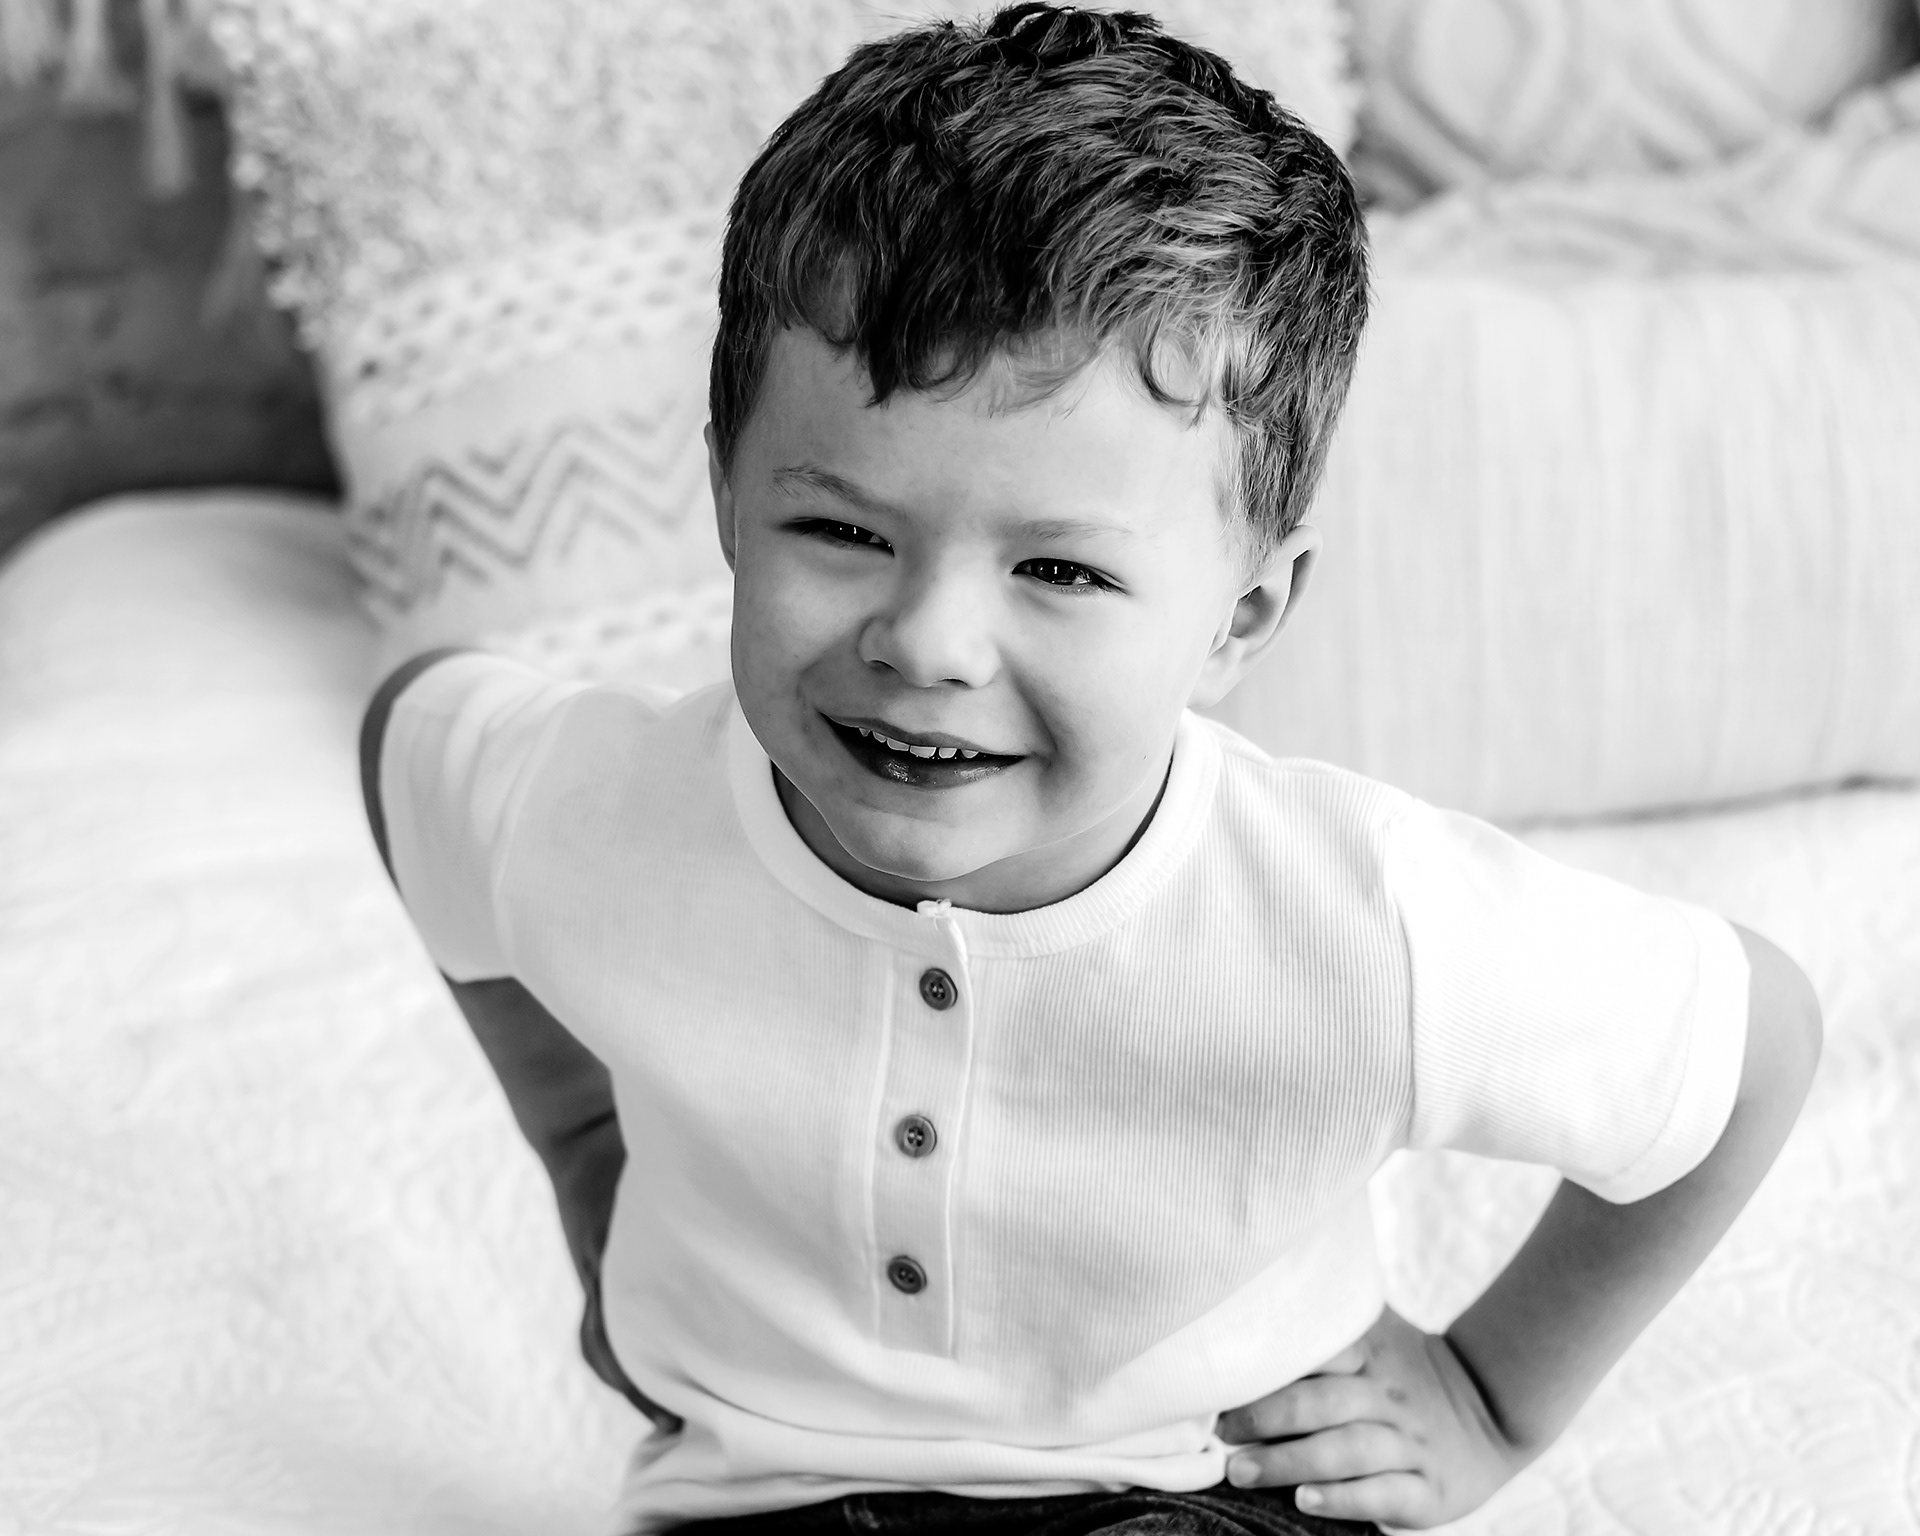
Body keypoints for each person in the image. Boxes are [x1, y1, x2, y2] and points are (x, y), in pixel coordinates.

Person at [359, 6, 1822, 1533]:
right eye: (842, 532)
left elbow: (1750, 1049)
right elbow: (414, 745)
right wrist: (582, 1145)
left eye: (1058, 570)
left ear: (1239, 616)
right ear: (727, 498)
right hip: (760, 1501)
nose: (930, 643)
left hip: (1192, 1487)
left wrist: (1491, 1396)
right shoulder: (600, 812)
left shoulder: (1354, 919)